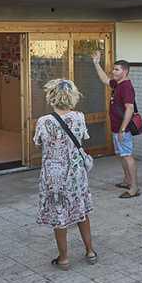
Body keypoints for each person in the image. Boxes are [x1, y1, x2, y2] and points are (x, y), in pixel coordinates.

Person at [34, 79, 97, 269]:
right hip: (76, 172)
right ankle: (90, 251)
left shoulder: (44, 121)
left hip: (54, 173)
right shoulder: (79, 117)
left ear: (51, 97)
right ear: (73, 97)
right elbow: (83, 138)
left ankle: (64, 258)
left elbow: (38, 143)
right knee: (81, 209)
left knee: (59, 213)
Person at [90, 52, 140, 198]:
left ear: (124, 71)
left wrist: (123, 129)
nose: (113, 71)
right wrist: (96, 63)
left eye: (116, 69)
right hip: (116, 128)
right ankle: (127, 180)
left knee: (127, 156)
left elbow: (129, 108)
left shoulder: (126, 87)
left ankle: (134, 187)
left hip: (122, 129)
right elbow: (105, 80)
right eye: (113, 69)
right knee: (122, 155)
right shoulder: (117, 84)